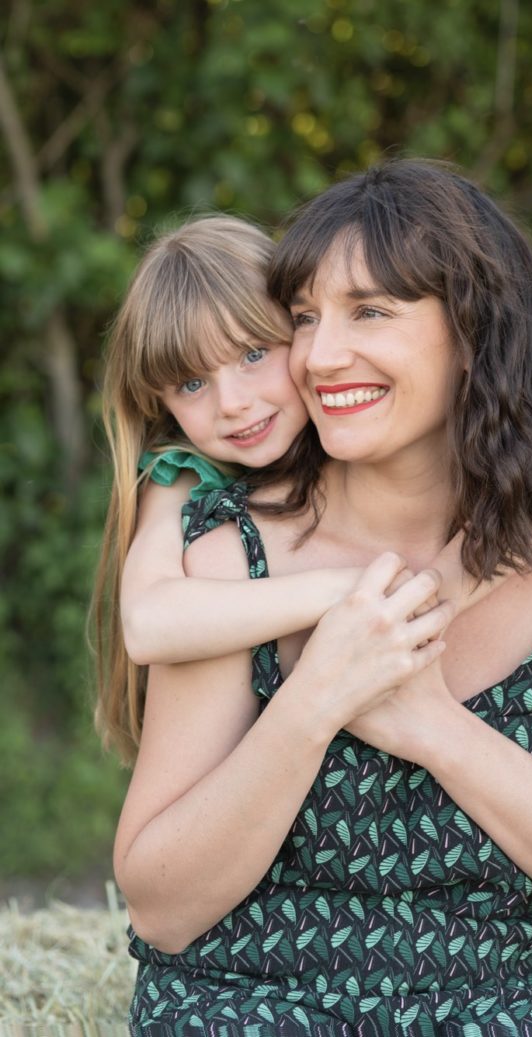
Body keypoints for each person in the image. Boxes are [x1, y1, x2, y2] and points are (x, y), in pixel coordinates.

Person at [113, 161, 532, 1035]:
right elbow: (158, 907)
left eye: (369, 311)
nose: (321, 353)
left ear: (473, 330)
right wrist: (318, 696)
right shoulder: (233, 553)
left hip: (505, 1006)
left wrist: (432, 725)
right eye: (303, 318)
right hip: (248, 1001)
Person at [93, 214, 464, 766]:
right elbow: (147, 624)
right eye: (192, 384)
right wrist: (343, 591)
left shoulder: (356, 427)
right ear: (158, 404)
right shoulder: (184, 475)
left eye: (253, 354)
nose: (232, 403)